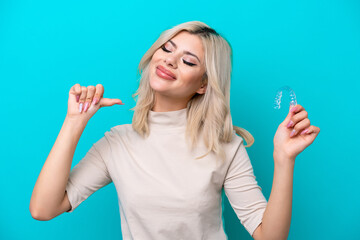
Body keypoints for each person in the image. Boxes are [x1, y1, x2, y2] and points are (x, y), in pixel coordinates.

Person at [30, 21, 320, 239]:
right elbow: (43, 209)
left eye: (188, 60)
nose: (169, 59)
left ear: (203, 84)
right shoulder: (117, 142)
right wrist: (74, 121)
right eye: (167, 48)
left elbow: (268, 235)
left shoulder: (225, 147)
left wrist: (284, 159)